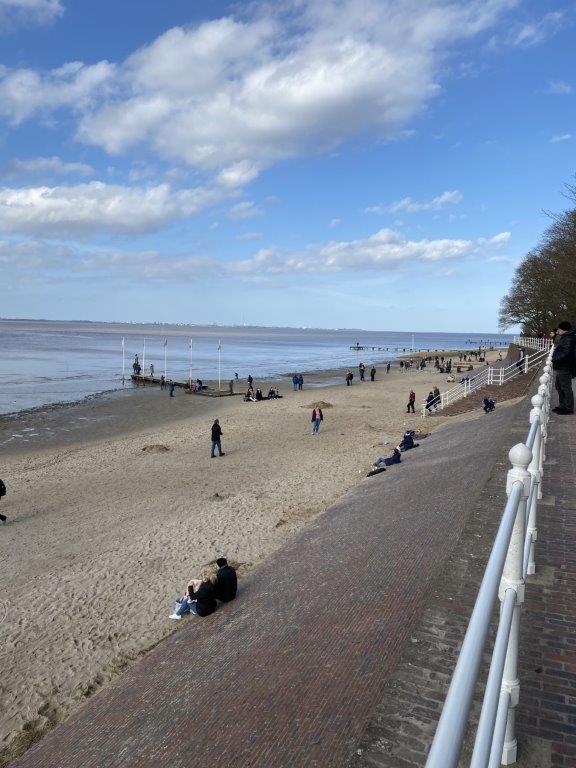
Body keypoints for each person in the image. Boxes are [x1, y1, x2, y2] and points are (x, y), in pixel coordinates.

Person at [551, 321, 576, 415]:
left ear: (563, 329)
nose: (558, 330)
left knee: (566, 387)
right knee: (559, 386)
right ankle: (563, 405)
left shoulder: (569, 338)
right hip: (562, 366)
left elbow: (566, 353)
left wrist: (554, 359)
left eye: (559, 329)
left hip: (565, 366)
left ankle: (568, 408)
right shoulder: (566, 337)